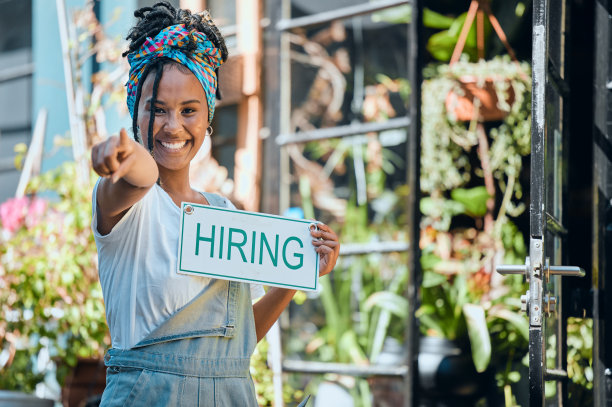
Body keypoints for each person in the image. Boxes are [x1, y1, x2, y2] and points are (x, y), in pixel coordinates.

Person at [90, 2, 340, 406]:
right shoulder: (125, 201)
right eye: (156, 110)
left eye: (189, 110)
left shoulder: (223, 213)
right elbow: (142, 174)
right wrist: (119, 154)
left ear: (208, 118)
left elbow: (237, 341)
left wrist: (299, 275)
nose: (173, 126)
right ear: (134, 113)